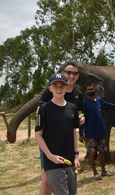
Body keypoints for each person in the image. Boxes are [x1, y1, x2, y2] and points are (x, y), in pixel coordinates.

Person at [37, 61, 84, 195]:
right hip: (49, 141)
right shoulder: (48, 93)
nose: (71, 75)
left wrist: (80, 120)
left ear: (78, 76)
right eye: (68, 72)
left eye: (74, 73)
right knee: (46, 178)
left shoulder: (78, 95)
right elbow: (40, 114)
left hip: (67, 144)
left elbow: (76, 117)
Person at [79, 83, 115, 180]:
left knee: (102, 152)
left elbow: (108, 106)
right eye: (89, 90)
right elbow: (81, 119)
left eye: (92, 89)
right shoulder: (84, 103)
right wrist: (81, 134)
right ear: (86, 92)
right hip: (90, 133)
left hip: (101, 131)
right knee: (92, 153)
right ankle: (95, 172)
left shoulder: (99, 100)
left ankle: (103, 170)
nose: (91, 91)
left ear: (95, 90)